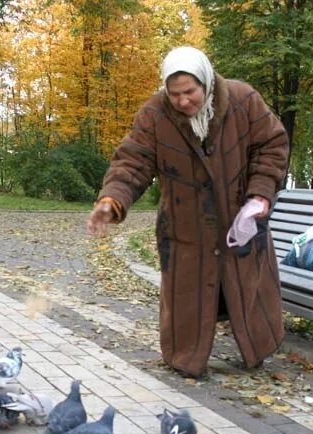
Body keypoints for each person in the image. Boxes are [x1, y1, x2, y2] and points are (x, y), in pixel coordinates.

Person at [86, 46, 290, 378]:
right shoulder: (154, 114)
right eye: (174, 93)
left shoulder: (243, 100)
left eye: (190, 92)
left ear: (206, 82)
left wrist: (261, 193)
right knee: (186, 295)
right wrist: (111, 200)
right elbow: (132, 161)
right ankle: (186, 359)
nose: (183, 101)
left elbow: (272, 145)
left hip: (240, 218)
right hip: (185, 225)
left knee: (248, 289)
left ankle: (257, 350)